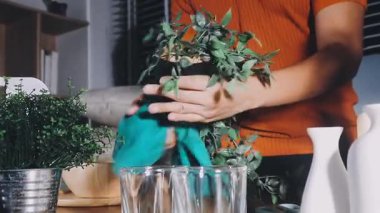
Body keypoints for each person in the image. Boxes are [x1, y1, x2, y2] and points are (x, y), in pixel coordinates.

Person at [129, 0, 366, 205]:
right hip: (223, 162)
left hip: (317, 152)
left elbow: (342, 53)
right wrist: (159, 103)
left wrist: (243, 94)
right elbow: (184, 56)